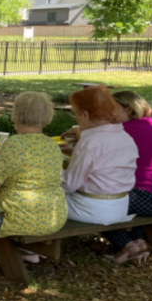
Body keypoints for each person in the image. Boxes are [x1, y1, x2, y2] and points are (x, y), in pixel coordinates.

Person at [0, 91, 68, 238]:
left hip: (19, 216)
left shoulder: (15, 144)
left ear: (16, 115)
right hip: (53, 217)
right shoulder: (52, 145)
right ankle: (29, 253)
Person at [61, 85, 138, 226]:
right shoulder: (126, 137)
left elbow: (68, 185)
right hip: (120, 207)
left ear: (85, 115)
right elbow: (104, 162)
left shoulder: (90, 142)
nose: (76, 118)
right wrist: (74, 153)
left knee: (37, 198)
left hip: (91, 209)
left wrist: (51, 165)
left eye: (75, 113)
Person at [102, 91, 152, 264]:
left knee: (97, 203)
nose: (106, 115)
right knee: (123, 202)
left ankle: (126, 243)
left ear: (128, 109)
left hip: (149, 196)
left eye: (110, 109)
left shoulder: (122, 130)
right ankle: (139, 242)